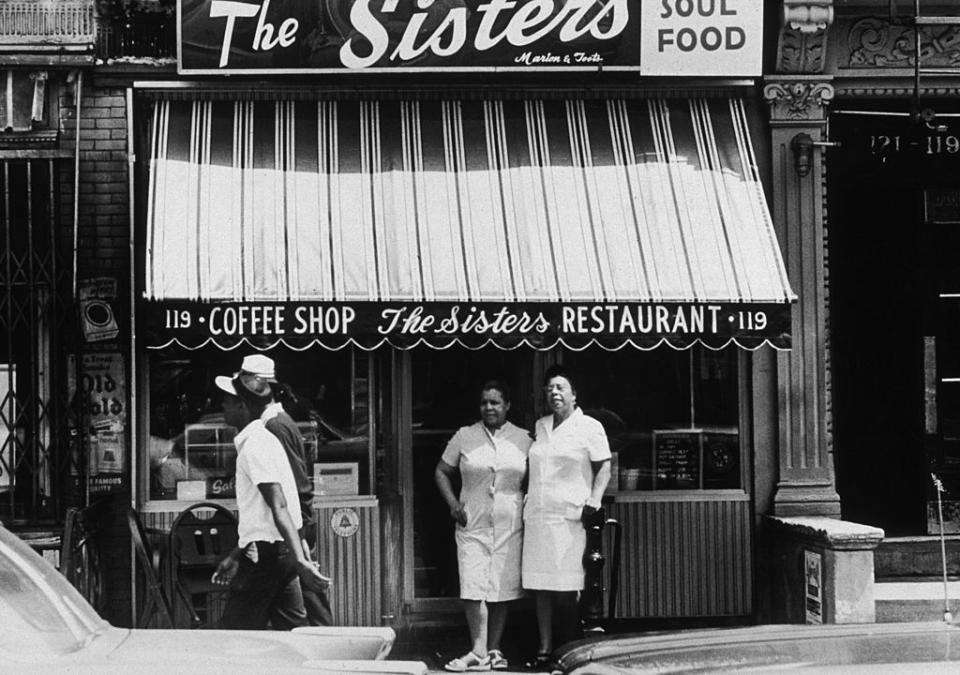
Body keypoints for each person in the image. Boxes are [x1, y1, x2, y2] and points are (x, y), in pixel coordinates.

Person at [210, 368, 328, 629]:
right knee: (295, 633)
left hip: (267, 559)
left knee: (233, 636)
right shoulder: (263, 439)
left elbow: (279, 505)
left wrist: (300, 559)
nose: (222, 406)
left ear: (242, 406)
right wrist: (235, 555)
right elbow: (264, 514)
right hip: (278, 557)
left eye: (228, 401)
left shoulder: (255, 446)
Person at [435, 381, 531, 672]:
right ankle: (477, 649)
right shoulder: (465, 436)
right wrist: (453, 504)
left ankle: (494, 649)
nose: (489, 408)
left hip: (509, 522)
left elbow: (537, 476)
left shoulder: (524, 437)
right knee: (473, 583)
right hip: (472, 522)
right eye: (484, 403)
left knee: (500, 586)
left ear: (507, 406)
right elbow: (441, 471)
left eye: (495, 403)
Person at [521, 365, 611, 670]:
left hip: (569, 517)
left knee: (567, 587)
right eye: (549, 389)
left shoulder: (590, 427)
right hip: (538, 516)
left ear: (574, 394)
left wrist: (594, 500)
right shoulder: (541, 425)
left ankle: (567, 648)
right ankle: (544, 649)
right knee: (541, 586)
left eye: (560, 388)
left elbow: (604, 467)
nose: (554, 393)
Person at [238, 353, 334, 626]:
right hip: (295, 522)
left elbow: (289, 484)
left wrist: (298, 531)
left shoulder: (273, 426)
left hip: (294, 523)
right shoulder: (279, 421)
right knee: (299, 603)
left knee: (310, 603)